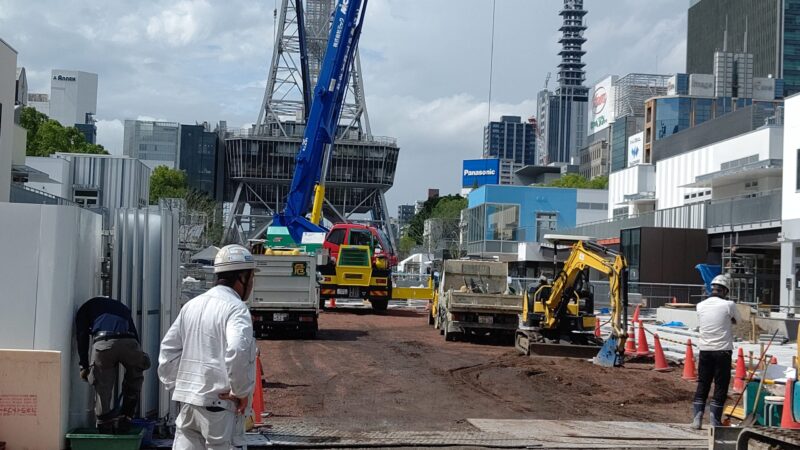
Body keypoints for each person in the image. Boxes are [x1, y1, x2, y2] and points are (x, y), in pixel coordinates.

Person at [159, 244, 258, 450]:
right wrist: (240, 392)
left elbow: (168, 352)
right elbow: (238, 349)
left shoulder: (192, 305)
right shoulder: (236, 309)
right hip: (219, 408)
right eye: (251, 277)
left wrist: (181, 385)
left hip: (188, 405)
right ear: (242, 277)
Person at [75, 296, 150, 434]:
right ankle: (126, 417)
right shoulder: (121, 307)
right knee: (134, 379)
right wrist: (140, 356)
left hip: (104, 343)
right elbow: (134, 334)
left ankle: (104, 425)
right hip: (129, 342)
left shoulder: (85, 308)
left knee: (102, 386)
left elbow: (82, 336)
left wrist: (84, 365)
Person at [691, 274, 741, 429]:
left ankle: (697, 419)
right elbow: (738, 321)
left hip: (705, 350)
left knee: (703, 383)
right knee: (720, 385)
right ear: (725, 291)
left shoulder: (700, 305)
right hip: (723, 351)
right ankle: (714, 421)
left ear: (711, 289)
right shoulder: (729, 305)